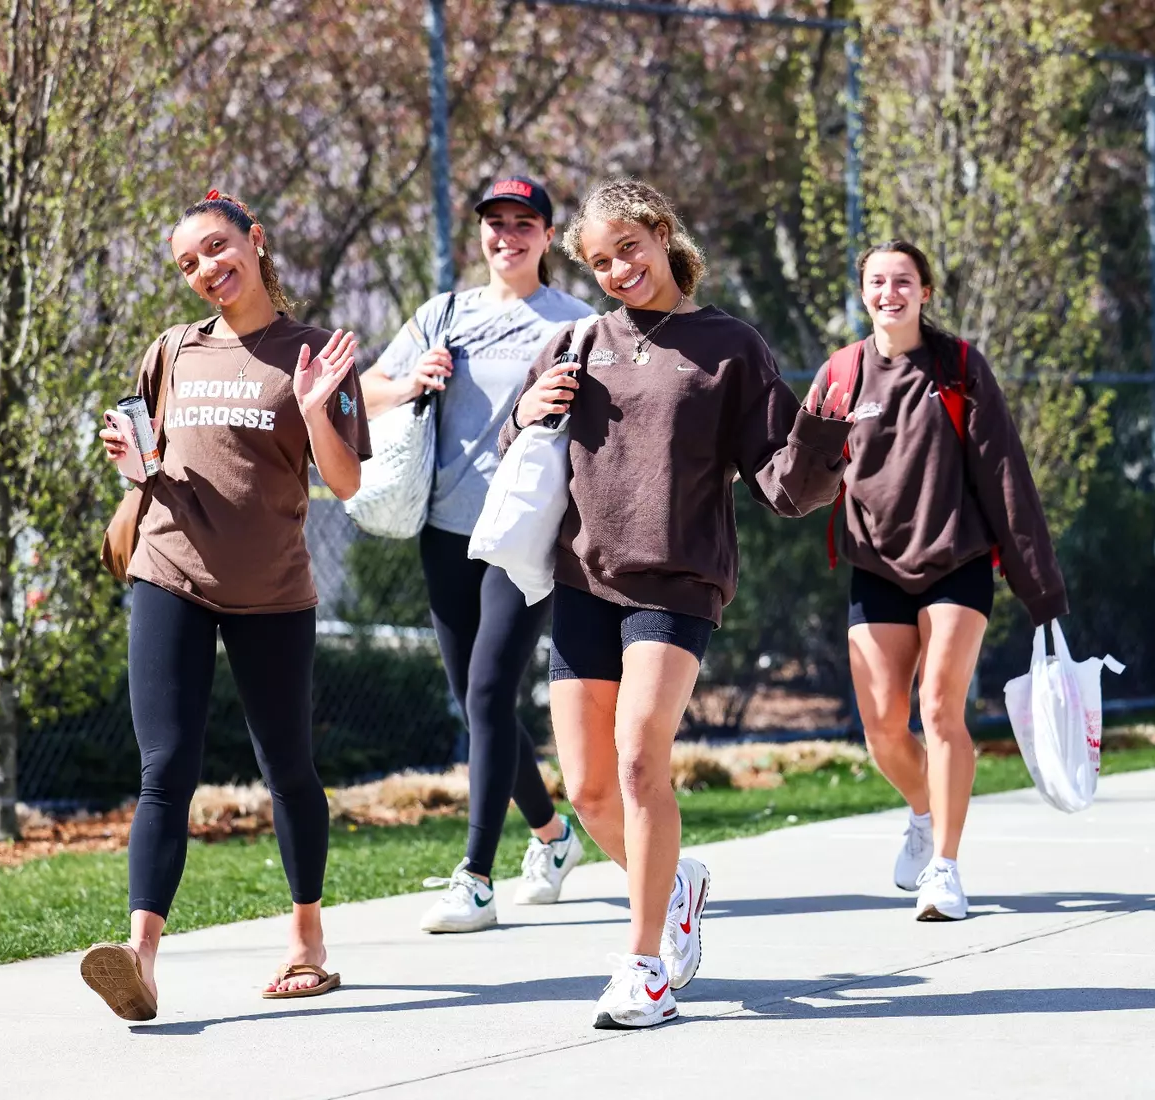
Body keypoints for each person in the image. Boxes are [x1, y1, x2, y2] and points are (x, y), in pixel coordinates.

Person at [502, 178, 854, 1030]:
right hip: (585, 576)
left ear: (662, 233)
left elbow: (782, 485)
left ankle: (645, 963)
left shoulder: (730, 345)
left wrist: (820, 433)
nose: (618, 269)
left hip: (680, 579)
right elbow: (520, 453)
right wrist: (523, 412)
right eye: (599, 261)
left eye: (629, 247)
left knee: (636, 763)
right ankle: (678, 882)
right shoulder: (576, 341)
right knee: (588, 795)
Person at [81, 190, 370, 1020]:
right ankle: (138, 957)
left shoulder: (317, 353)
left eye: (216, 248)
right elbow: (149, 455)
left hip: (273, 594)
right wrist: (129, 464)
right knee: (165, 769)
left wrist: (316, 411)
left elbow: (347, 483)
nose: (207, 270)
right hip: (169, 571)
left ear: (255, 241)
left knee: (288, 769)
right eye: (189, 263)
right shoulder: (173, 351)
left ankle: (308, 939)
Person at [360, 176, 595, 934]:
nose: (507, 236)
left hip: (523, 531)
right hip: (445, 526)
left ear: (547, 237)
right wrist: (409, 385)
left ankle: (475, 878)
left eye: (523, 223)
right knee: (476, 702)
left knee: (491, 695)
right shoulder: (445, 314)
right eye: (495, 224)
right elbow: (363, 391)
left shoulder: (576, 322)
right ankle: (554, 840)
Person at [822, 240, 1067, 922]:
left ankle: (946, 869)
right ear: (863, 291)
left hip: (956, 562)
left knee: (939, 708)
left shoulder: (958, 367)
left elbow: (1005, 477)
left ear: (925, 292)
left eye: (903, 280)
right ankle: (925, 811)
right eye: (877, 281)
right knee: (881, 730)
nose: (889, 292)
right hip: (875, 567)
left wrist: (1040, 590)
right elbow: (803, 469)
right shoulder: (841, 374)